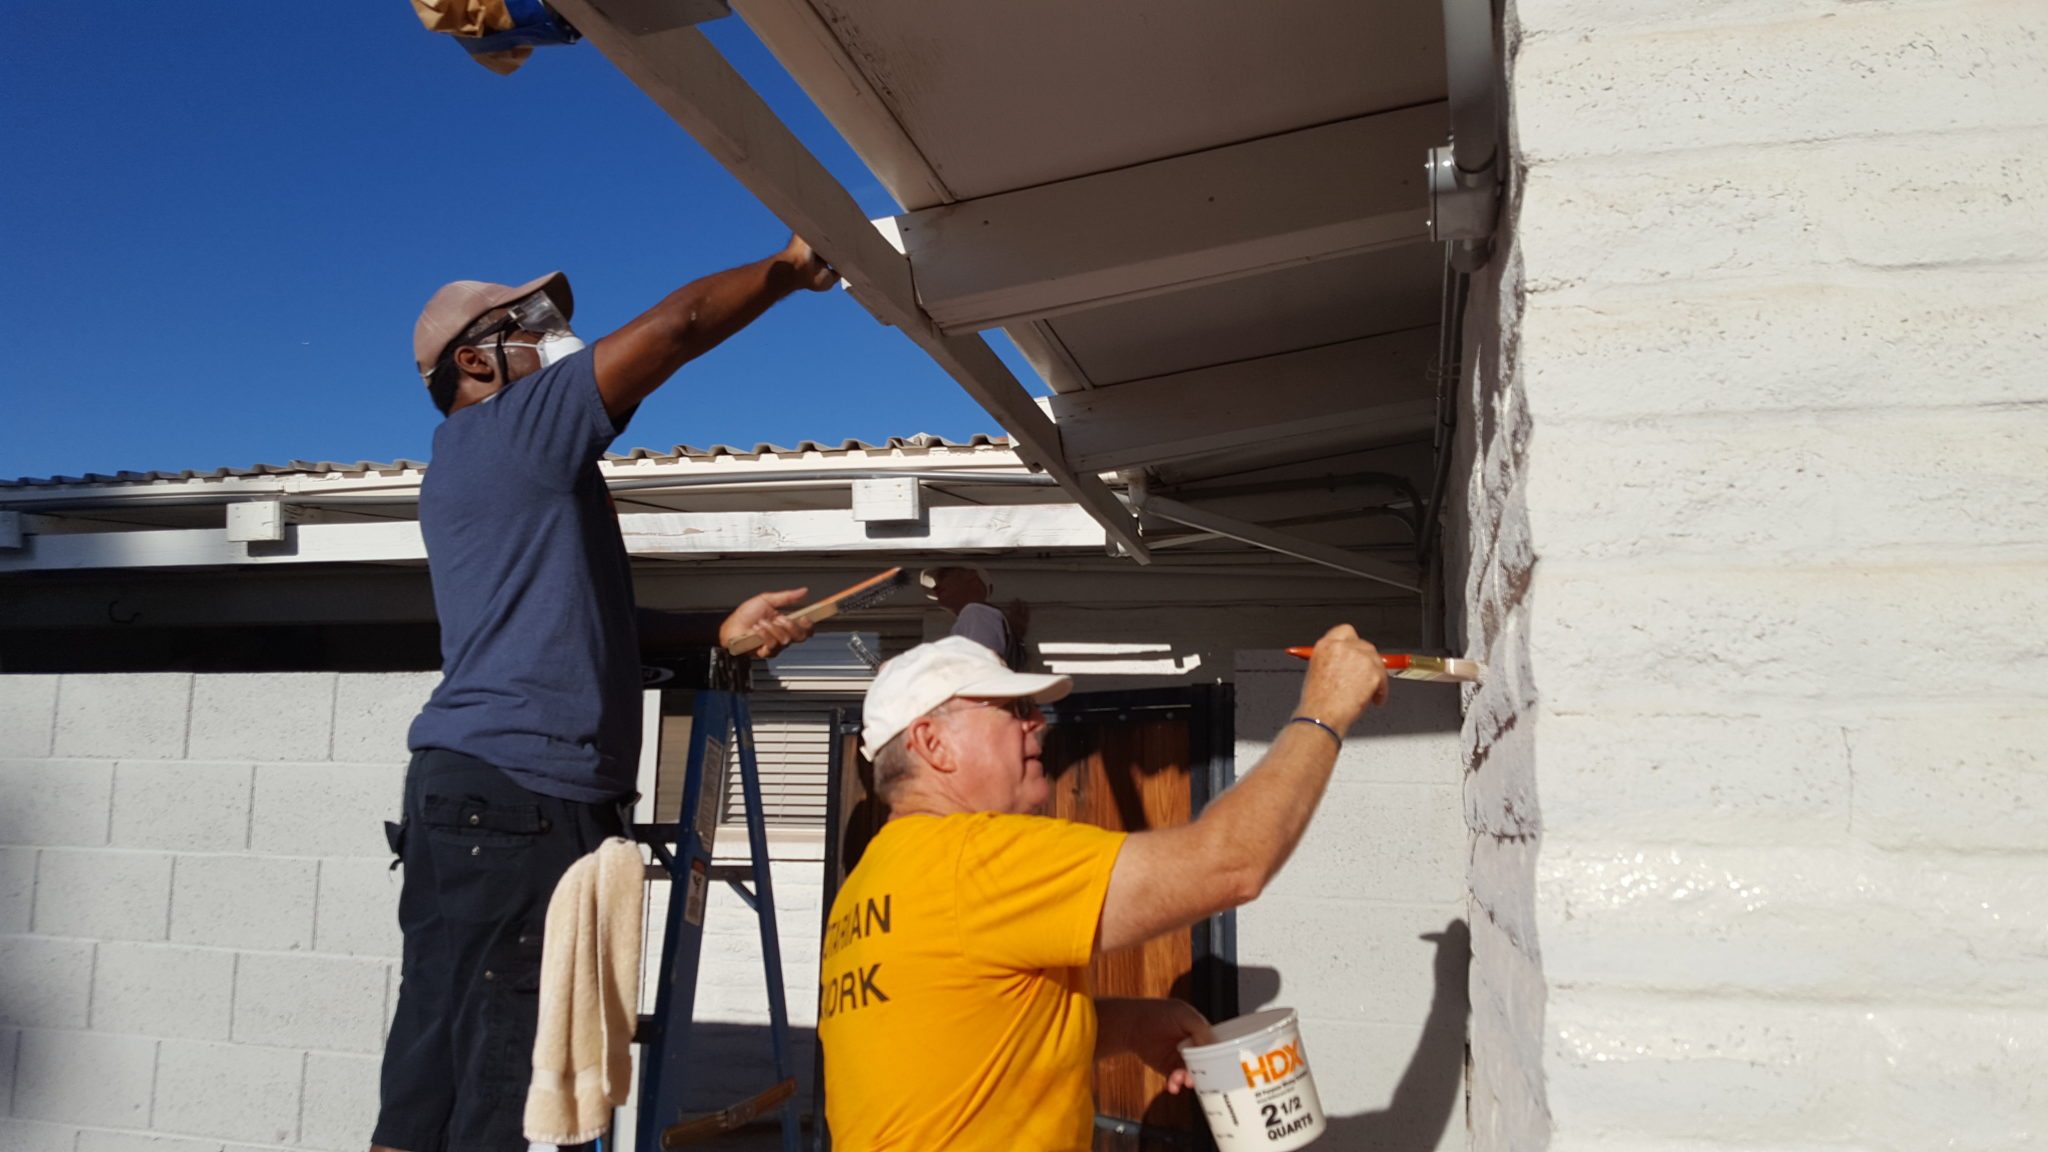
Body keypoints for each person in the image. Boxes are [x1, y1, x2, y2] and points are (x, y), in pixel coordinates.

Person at [371, 237, 840, 1152]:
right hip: (521, 802)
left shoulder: (481, 466)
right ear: (476, 359)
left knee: (432, 1067)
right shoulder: (516, 427)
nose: (559, 337)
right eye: (533, 325)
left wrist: (714, 632)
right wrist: (788, 269)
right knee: (507, 1084)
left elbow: (590, 620)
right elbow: (678, 325)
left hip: (471, 799)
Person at [816, 627, 1390, 1151]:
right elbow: (1233, 864)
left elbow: (963, 1048)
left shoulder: (872, 882)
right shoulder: (974, 857)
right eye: (1013, 708)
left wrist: (1130, 1024)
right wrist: (1324, 709)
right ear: (932, 744)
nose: (1036, 721)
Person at [921, 565, 1024, 668]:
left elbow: (980, 667)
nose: (935, 586)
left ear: (971, 574)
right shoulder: (979, 614)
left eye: (944, 575)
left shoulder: (976, 612)